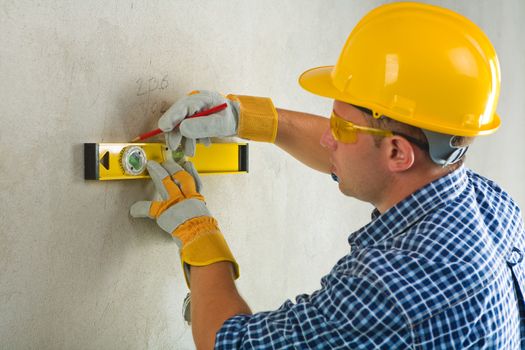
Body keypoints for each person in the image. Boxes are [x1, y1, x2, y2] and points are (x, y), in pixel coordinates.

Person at [130, 2, 525, 349]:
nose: (326, 138)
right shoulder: (492, 206)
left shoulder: (391, 289)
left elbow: (228, 343)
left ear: (397, 152)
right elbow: (361, 159)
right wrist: (254, 119)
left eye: (339, 128)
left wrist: (199, 236)